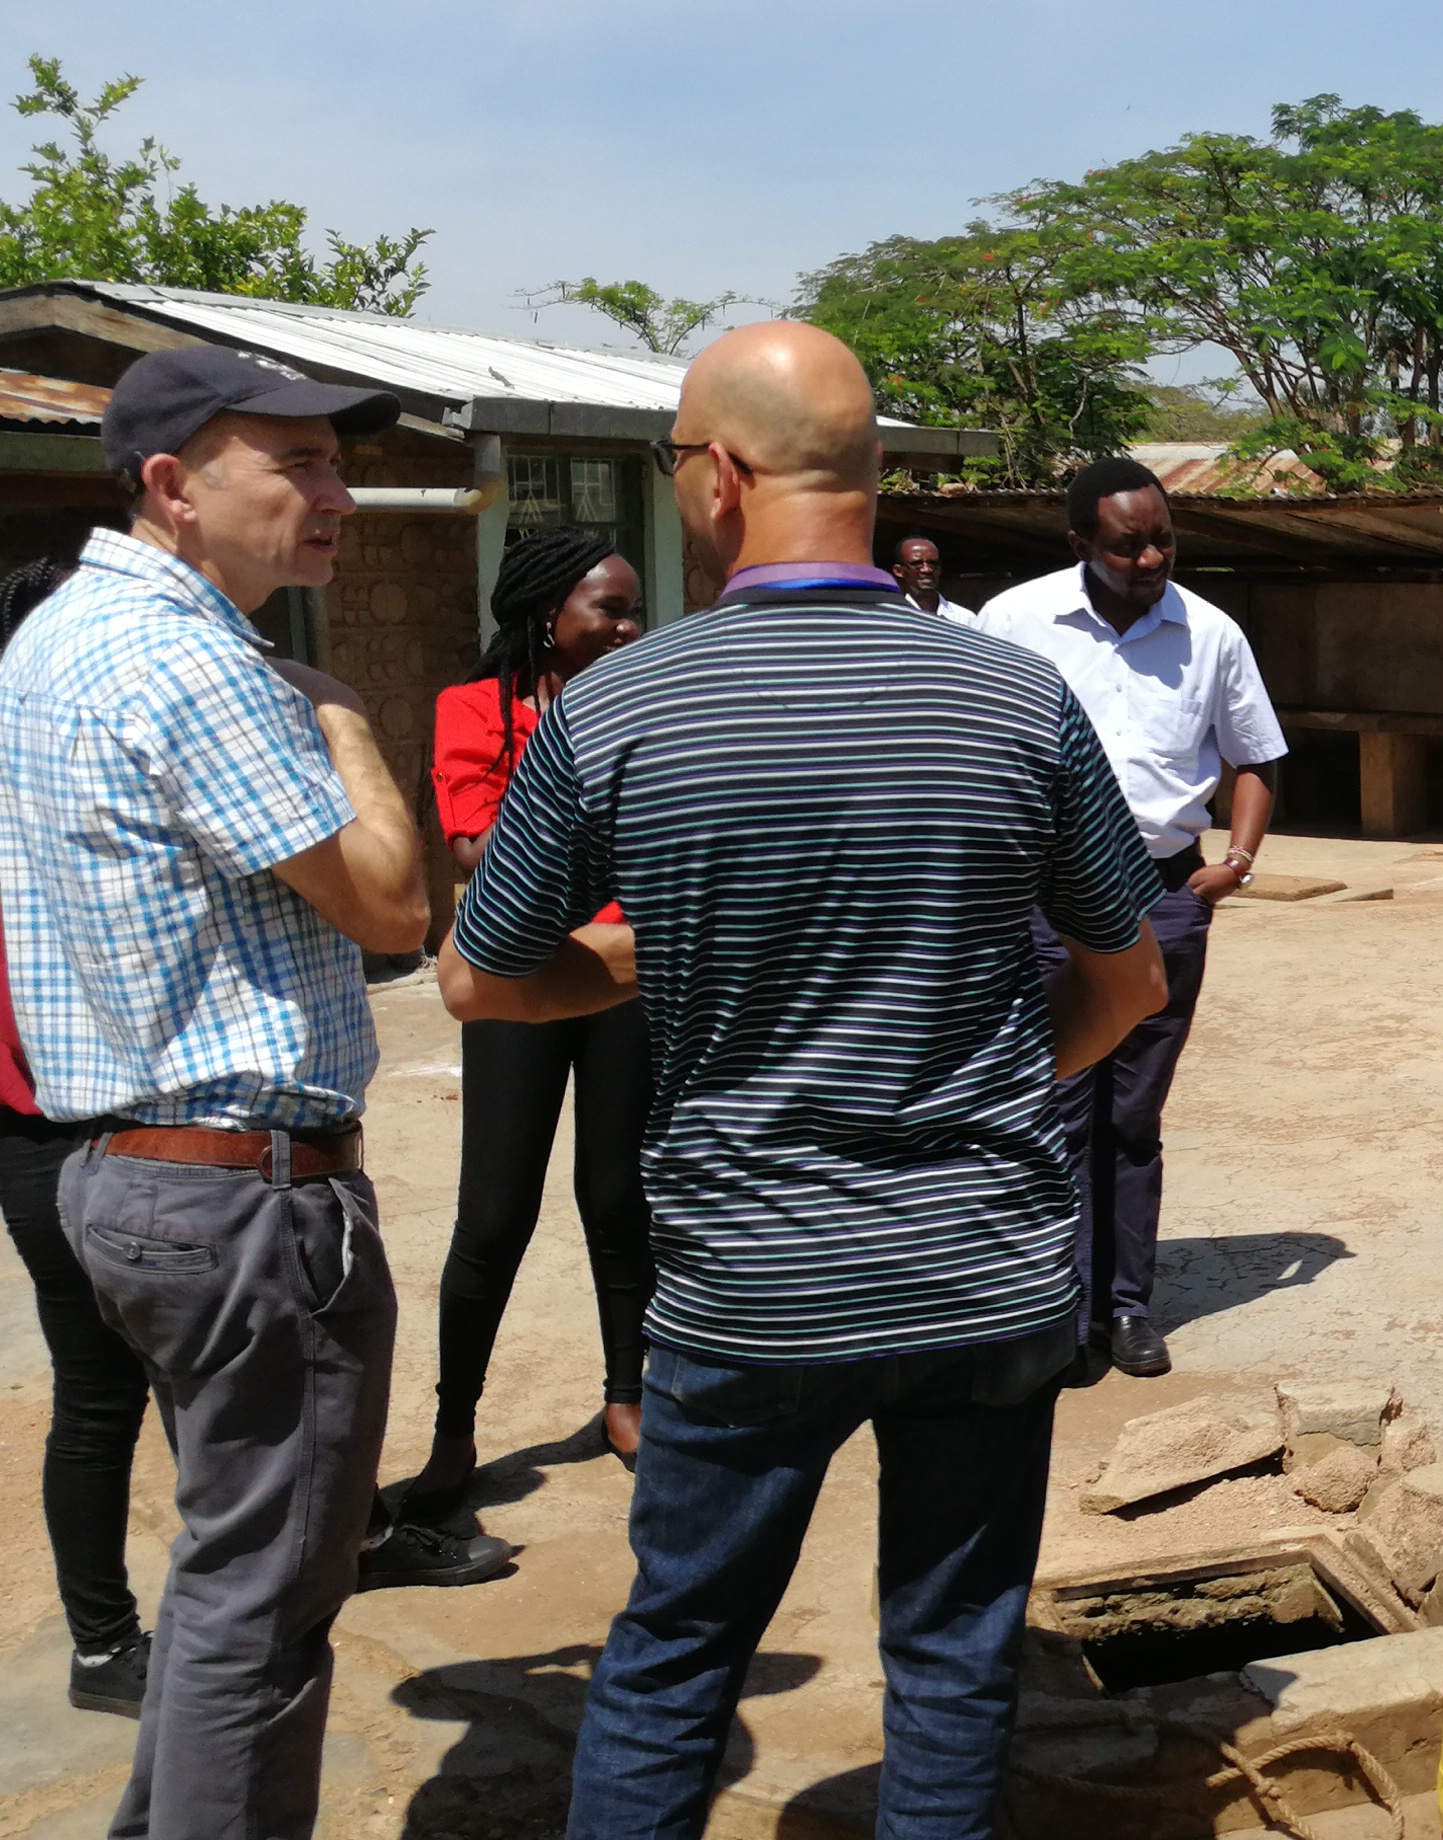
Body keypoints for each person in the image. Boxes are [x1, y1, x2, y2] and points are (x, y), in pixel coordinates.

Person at [437, 321, 1168, 1840]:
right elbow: (1128, 981)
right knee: (959, 1666)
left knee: (673, 1659)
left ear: (713, 476)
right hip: (985, 1273)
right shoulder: (1022, 702)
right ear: (873, 474)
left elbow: (480, 977)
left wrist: (656, 962)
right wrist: (985, 1093)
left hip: (750, 1289)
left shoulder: (618, 711)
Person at [0, 345, 504, 1840]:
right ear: (173, 485)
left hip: (131, 1172)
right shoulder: (204, 665)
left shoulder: (61, 636)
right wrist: (345, 713)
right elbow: (395, 906)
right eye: (295, 463)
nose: (336, 493)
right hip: (240, 1191)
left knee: (226, 1590)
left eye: (338, 461)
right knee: (264, 1614)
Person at [973, 455, 1286, 1381]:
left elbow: (1257, 756)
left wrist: (1235, 864)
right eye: (1126, 544)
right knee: (1056, 1103)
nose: (1150, 558)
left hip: (1163, 889)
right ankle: (1058, 1311)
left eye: (1163, 539)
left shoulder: (1213, 634)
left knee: (1132, 1114)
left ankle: (1127, 1307)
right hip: (1045, 895)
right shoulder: (1016, 623)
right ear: (1079, 544)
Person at [400, 526, 655, 1523]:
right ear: (551, 615)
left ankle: (626, 1397)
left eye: (637, 609)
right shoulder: (473, 709)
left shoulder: (647, 708)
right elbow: (473, 847)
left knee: (617, 1193)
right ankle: (455, 1424)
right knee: (494, 1212)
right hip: (514, 982)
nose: (634, 627)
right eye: (613, 609)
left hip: (623, 971)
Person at [0, 549, 160, 1720]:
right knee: (132, 1389)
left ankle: (108, 1643)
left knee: (121, 1389)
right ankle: (116, 1643)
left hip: (68, 1131)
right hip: (75, 1134)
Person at [894, 534, 970, 622]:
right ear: (899, 571)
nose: (927, 570)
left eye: (933, 563)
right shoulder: (893, 617)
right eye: (916, 564)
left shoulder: (965, 618)